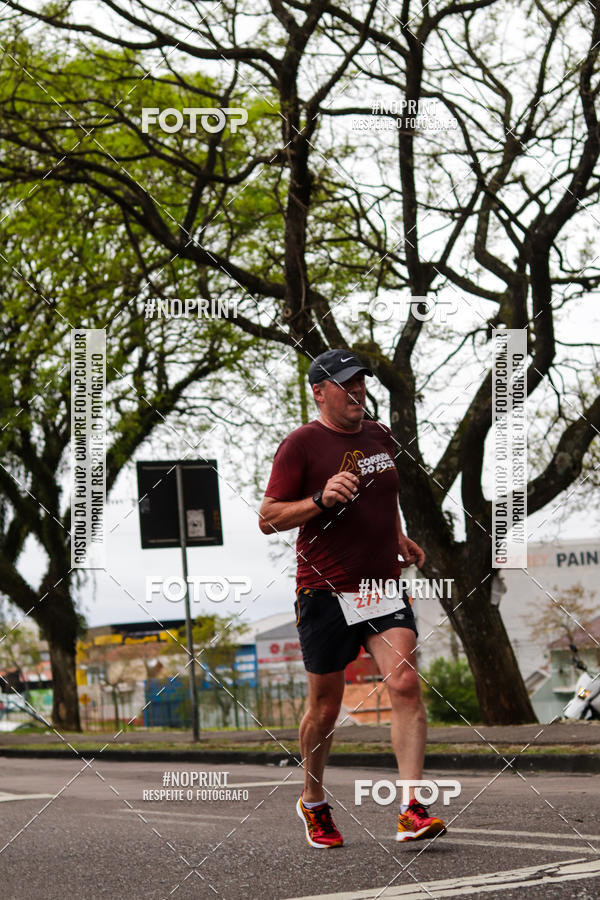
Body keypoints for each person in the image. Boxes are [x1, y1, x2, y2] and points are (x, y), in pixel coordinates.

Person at [258, 348, 446, 848]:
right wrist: (319, 501)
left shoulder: (379, 434)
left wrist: (398, 536)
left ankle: (411, 806)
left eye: (361, 381)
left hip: (379, 586)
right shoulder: (300, 445)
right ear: (319, 391)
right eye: (345, 383)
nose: (358, 389)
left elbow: (388, 493)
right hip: (323, 588)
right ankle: (313, 800)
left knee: (404, 682)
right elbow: (268, 517)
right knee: (325, 708)